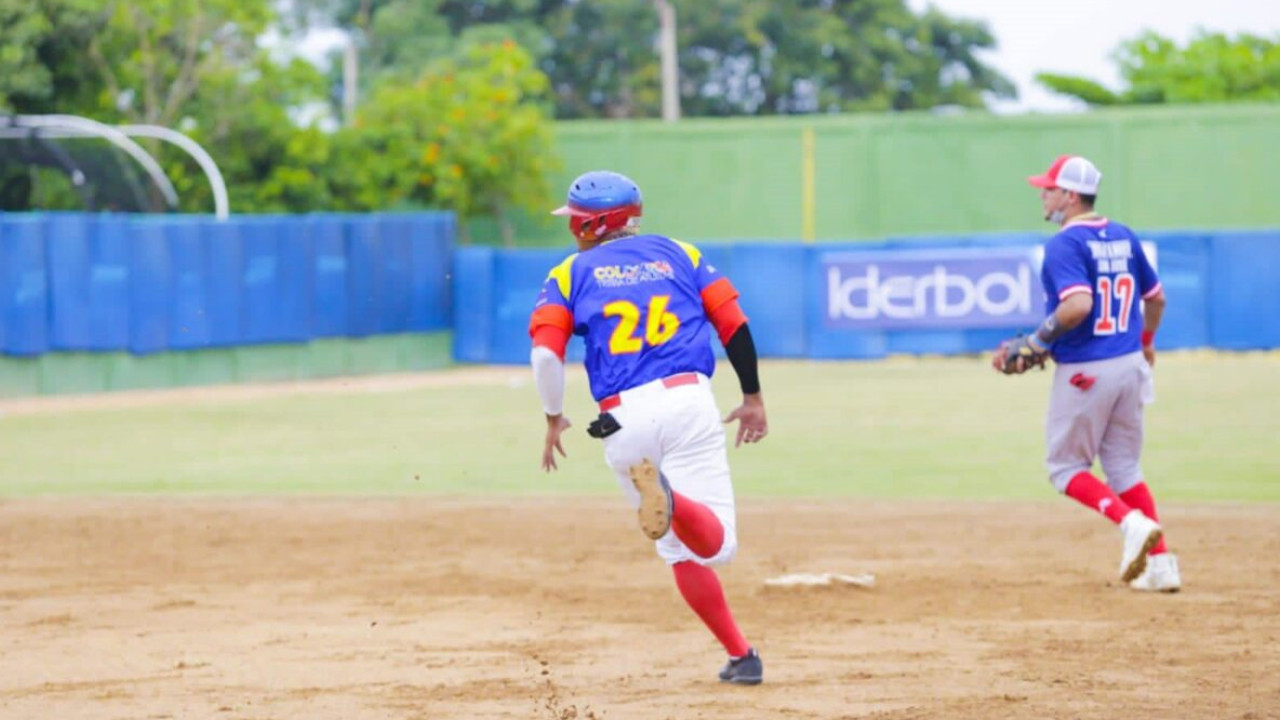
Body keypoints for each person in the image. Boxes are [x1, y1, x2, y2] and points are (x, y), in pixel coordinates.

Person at [528, 170, 770, 683]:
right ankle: (674, 500)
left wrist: (553, 416)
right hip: (686, 402)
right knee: (716, 546)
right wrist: (751, 396)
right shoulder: (681, 252)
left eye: (575, 219)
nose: (571, 227)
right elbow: (734, 324)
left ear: (593, 224)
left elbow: (545, 357)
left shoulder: (569, 273)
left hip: (619, 421)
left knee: (677, 549)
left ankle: (742, 657)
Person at [993, 154, 1181, 593]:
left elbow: (1077, 305)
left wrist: (1038, 343)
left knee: (1064, 468)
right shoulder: (1123, 234)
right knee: (1123, 467)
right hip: (1130, 363)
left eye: (1049, 188)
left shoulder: (1065, 243)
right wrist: (1148, 342)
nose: (1043, 194)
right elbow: (1156, 300)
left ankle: (1131, 525)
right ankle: (1161, 565)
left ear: (1070, 196)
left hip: (1086, 371)